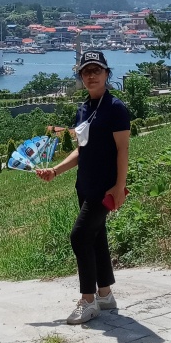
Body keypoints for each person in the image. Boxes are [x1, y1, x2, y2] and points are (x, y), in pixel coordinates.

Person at [36, 50, 130, 324]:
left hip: (104, 187)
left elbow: (123, 150)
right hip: (85, 184)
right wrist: (55, 170)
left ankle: (88, 300)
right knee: (96, 236)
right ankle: (105, 295)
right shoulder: (83, 109)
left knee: (79, 237)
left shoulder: (115, 108)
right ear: (81, 76)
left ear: (106, 74)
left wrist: (119, 186)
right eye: (86, 71)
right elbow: (81, 150)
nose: (91, 76)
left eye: (96, 70)